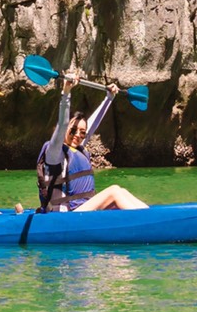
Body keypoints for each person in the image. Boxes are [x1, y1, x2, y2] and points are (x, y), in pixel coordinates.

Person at [35, 69, 149, 213]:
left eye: (82, 133)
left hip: (84, 211)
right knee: (114, 191)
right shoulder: (54, 152)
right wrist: (66, 92)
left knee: (122, 191)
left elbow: (93, 124)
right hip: (64, 216)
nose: (78, 135)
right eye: (73, 130)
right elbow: (63, 124)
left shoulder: (77, 149)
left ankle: (152, 215)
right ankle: (152, 221)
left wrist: (109, 98)